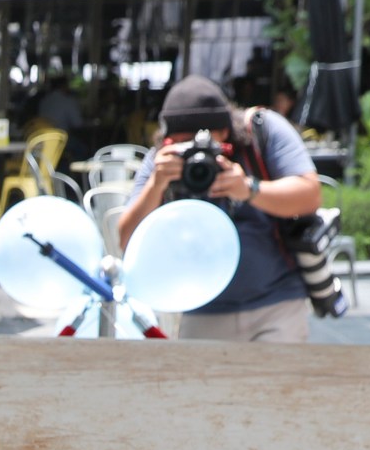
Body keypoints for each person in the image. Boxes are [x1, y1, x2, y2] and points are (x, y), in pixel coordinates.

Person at [111, 75, 323, 343]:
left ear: (225, 132)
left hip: (275, 303)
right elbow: (126, 240)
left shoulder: (262, 130)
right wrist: (156, 184)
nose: (193, 155)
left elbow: (311, 195)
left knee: (275, 385)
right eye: (182, 145)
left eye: (203, 145)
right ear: (168, 140)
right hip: (202, 308)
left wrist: (249, 189)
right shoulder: (163, 162)